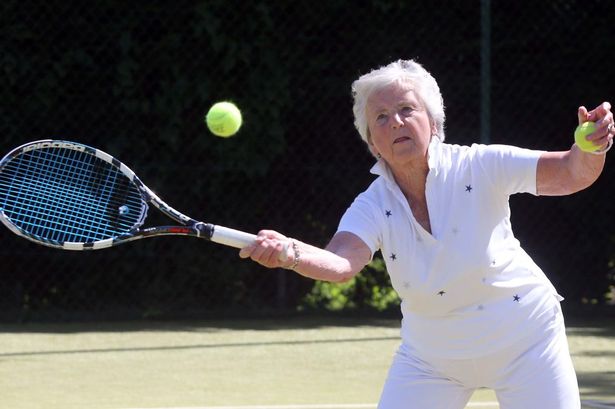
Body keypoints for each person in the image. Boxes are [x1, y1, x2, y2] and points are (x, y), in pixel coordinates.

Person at [239, 59, 614, 409]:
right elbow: (341, 263)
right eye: (382, 118)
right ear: (372, 143)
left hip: (526, 341)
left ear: (433, 122)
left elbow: (570, 172)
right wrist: (290, 253)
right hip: (432, 359)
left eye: (407, 110)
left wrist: (590, 147)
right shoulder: (372, 204)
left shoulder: (479, 165)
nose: (396, 123)